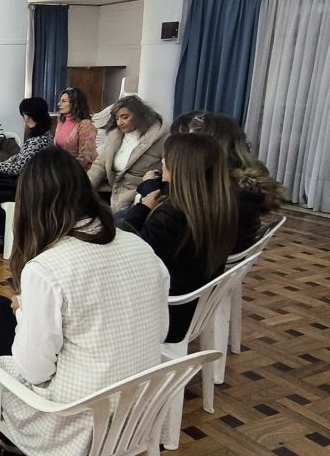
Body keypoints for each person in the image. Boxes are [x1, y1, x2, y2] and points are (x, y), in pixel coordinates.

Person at [0, 147, 170, 456]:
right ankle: (9, 449)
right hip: (139, 410)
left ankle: (12, 449)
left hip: (75, 423)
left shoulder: (46, 268)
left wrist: (25, 315)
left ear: (30, 204)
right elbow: (158, 328)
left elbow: (34, 371)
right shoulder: (140, 247)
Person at [118, 133, 238, 343]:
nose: (163, 162)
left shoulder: (172, 216)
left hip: (165, 314)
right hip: (192, 306)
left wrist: (141, 208)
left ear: (179, 168)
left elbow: (123, 249)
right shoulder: (218, 205)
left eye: (167, 158)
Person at [186, 112, 285, 252]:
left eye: (189, 144)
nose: (184, 150)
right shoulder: (240, 183)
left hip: (207, 257)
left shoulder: (229, 193)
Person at [0, 98, 54, 254]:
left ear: (28, 115)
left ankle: (0, 236)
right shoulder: (43, 134)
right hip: (28, 180)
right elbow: (21, 156)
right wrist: (2, 162)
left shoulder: (37, 140)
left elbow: (16, 168)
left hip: (30, 186)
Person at [87, 95, 167, 212]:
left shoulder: (159, 138)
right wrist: (83, 190)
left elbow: (169, 172)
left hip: (140, 198)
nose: (120, 122)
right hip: (112, 193)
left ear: (139, 116)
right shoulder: (114, 137)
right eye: (117, 118)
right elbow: (99, 166)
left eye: (125, 117)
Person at [53, 87, 97, 171]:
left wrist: (64, 168)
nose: (59, 104)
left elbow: (86, 157)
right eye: (60, 101)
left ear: (75, 104)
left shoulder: (85, 125)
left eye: (64, 101)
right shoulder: (61, 121)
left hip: (76, 170)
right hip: (59, 167)